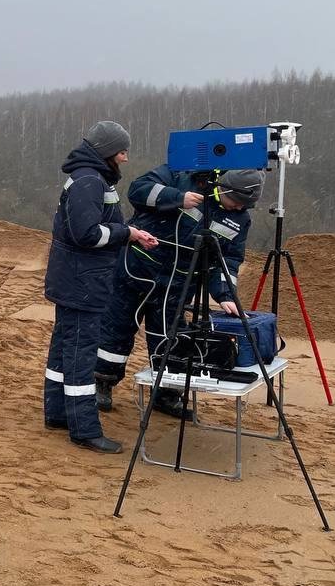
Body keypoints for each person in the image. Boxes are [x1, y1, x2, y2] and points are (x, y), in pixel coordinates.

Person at [94, 166, 265, 417]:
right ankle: (102, 382)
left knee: (170, 338)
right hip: (137, 269)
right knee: (116, 329)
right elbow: (137, 190)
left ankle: (166, 393)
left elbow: (228, 260)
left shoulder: (240, 220)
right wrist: (176, 198)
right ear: (224, 188)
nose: (238, 208)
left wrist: (226, 295)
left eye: (245, 206)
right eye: (236, 202)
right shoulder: (182, 176)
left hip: (179, 285)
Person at [43, 121, 159, 453]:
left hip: (76, 280)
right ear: (107, 151)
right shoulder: (89, 181)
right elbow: (87, 234)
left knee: (64, 350)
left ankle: (58, 414)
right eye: (122, 151)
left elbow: (94, 227)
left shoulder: (89, 178)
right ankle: (84, 429)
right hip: (83, 283)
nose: (125, 158)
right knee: (80, 354)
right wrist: (127, 234)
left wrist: (129, 233)